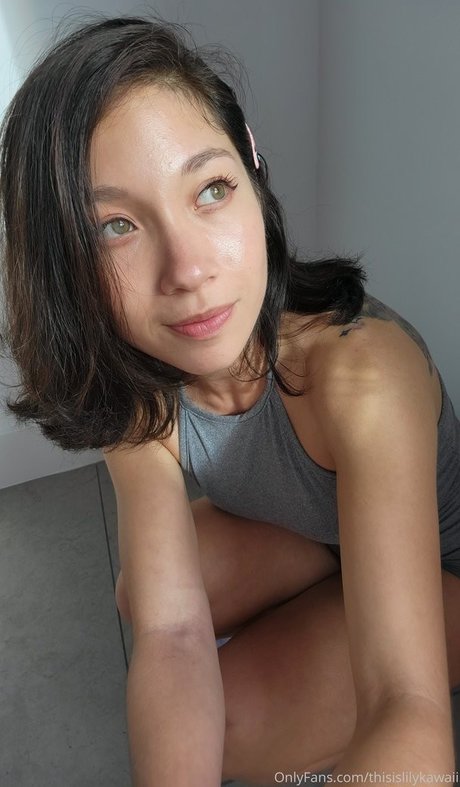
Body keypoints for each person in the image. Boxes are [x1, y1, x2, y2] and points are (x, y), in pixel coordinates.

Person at [1, 14, 459, 787]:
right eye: (116, 226)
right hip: (325, 535)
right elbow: (173, 631)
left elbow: (404, 706)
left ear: (250, 162)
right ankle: (330, 596)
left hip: (443, 571)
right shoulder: (138, 377)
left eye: (210, 189)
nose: (188, 271)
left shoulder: (363, 376)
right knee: (144, 593)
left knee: (235, 733)